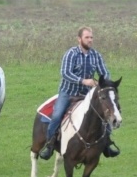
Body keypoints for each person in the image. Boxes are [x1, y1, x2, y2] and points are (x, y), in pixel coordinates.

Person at [39, 26, 120, 160]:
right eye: (87, 37)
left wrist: (104, 82)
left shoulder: (96, 55)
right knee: (57, 115)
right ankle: (50, 145)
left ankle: (107, 144)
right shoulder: (71, 54)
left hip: (87, 94)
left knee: (103, 114)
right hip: (68, 93)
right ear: (79, 39)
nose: (90, 40)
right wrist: (84, 81)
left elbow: (104, 72)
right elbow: (65, 73)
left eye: (91, 37)